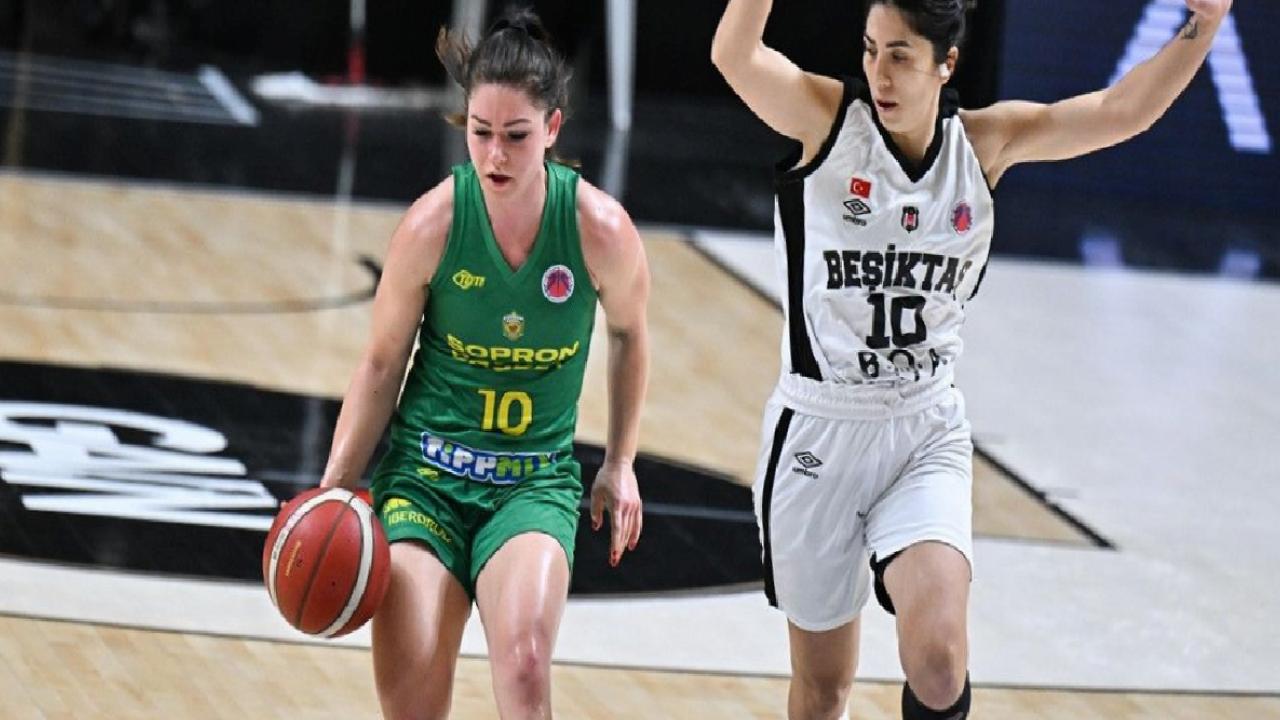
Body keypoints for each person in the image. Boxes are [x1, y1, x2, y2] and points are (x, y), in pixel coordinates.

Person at [711, 0, 1233, 717]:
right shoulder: (828, 122)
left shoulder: (985, 144)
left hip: (923, 431)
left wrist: (1205, 24)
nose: (879, 73)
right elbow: (735, 57)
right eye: (870, 49)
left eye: (900, 55)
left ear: (945, 64)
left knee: (938, 662)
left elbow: (1122, 111)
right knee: (824, 688)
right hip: (819, 433)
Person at [318, 7, 650, 719]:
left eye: (516, 135)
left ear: (553, 128)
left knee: (525, 668)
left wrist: (620, 462)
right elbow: (380, 365)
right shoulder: (432, 225)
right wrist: (334, 489)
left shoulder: (599, 230)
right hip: (426, 480)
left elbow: (629, 334)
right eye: (480, 132)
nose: (495, 154)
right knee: (412, 697)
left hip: (532, 482)